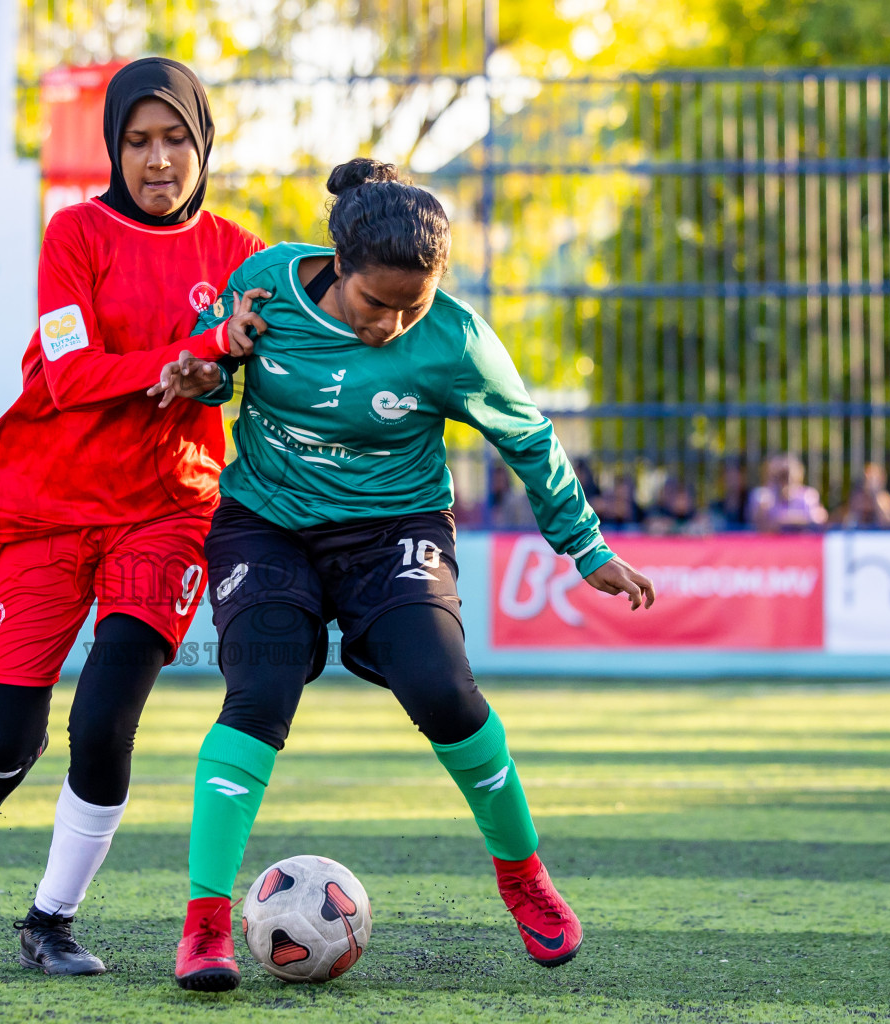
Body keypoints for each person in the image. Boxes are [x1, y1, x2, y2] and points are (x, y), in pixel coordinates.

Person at [149, 158, 656, 992]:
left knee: (444, 690)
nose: (388, 323)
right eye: (373, 302)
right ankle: (204, 927)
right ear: (337, 263)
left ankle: (524, 879)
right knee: (259, 690)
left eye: (408, 306)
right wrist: (205, 371)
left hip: (394, 533)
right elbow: (214, 369)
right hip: (266, 523)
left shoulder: (454, 339)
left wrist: (584, 547)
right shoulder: (267, 283)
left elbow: (528, 439)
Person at [0, 58, 266, 976]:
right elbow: (71, 375)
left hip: (168, 509)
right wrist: (189, 353)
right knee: (0, 734)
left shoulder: (241, 253)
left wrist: (216, 371)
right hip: (51, 506)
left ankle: (50, 921)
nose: (159, 161)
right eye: (138, 141)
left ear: (204, 144)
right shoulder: (75, 231)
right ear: (115, 148)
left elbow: (254, 365)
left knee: (109, 713)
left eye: (176, 140)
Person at [748, 454, 827, 533]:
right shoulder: (762, 495)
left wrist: (781, 520)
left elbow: (818, 520)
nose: (787, 479)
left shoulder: (808, 495)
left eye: (788, 474)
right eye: (782, 475)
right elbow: (760, 525)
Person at [838, 463, 890, 529]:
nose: (868, 482)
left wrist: (875, 496)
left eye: (872, 479)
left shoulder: (884, 499)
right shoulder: (858, 497)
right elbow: (847, 519)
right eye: (866, 478)